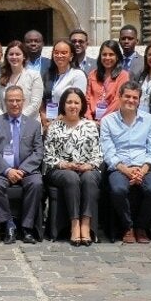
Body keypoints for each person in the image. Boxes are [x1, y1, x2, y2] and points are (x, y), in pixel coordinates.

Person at [100, 83, 151, 243]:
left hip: (144, 167)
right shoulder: (107, 121)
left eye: (135, 97)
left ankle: (141, 227)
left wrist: (142, 170)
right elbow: (108, 152)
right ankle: (128, 226)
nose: (131, 100)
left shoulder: (150, 120)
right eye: (127, 96)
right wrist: (126, 170)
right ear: (119, 97)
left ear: (139, 100)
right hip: (120, 168)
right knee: (118, 189)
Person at [0, 85, 45, 243]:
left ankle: (26, 228)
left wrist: (23, 170)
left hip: (27, 171)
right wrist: (7, 171)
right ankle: (9, 225)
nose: (14, 104)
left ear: (23, 101)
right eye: (10, 100)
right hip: (2, 171)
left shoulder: (34, 124)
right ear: (5, 102)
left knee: (37, 183)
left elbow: (38, 152)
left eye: (18, 100)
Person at [44, 89, 103, 246]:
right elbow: (48, 156)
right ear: (63, 104)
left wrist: (89, 165)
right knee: (71, 177)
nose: (73, 105)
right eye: (69, 102)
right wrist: (64, 164)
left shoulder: (91, 126)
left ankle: (86, 223)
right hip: (60, 170)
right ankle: (74, 224)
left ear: (82, 105)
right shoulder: (54, 127)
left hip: (87, 169)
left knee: (90, 178)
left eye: (76, 102)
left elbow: (98, 154)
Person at [0, 40, 43, 119]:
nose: (14, 57)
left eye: (17, 54)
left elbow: (36, 103)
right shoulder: (0, 78)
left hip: (29, 123)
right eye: (11, 54)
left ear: (24, 56)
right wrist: (4, 121)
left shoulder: (34, 76)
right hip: (5, 125)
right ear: (6, 57)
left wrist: (18, 120)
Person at [43, 39, 88, 120]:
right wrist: (44, 120)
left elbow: (76, 103)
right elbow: (42, 100)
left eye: (64, 53)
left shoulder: (77, 75)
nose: (59, 55)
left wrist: (56, 122)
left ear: (71, 56)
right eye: (56, 53)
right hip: (48, 123)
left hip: (68, 123)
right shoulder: (48, 74)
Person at [87, 40, 129, 121]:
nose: (107, 58)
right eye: (104, 55)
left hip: (112, 120)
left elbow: (118, 101)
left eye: (111, 55)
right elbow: (87, 98)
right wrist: (89, 118)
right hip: (91, 121)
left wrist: (104, 120)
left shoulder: (123, 75)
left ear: (117, 57)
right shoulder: (92, 74)